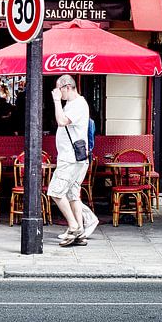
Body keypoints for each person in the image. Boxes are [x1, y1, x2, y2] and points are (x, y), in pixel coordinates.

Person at [48, 74, 94, 247]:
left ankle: (74, 226)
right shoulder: (73, 104)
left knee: (55, 192)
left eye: (59, 89)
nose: (57, 92)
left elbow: (61, 121)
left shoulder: (78, 104)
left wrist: (56, 101)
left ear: (67, 87)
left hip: (70, 159)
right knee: (73, 194)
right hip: (74, 158)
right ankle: (80, 232)